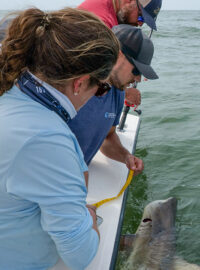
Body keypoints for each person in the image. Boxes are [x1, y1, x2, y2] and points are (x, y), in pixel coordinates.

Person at [0, 8, 119, 270]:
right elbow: (81, 254)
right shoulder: (46, 138)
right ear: (79, 83)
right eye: (101, 87)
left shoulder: (9, 94)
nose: (99, 94)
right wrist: (88, 218)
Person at [68, 25, 158, 177]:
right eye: (136, 71)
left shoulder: (117, 91)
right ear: (119, 55)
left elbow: (108, 137)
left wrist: (125, 156)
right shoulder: (69, 86)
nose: (138, 79)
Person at [78, 0, 162, 106]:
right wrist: (124, 92)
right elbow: (89, 78)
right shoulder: (102, 25)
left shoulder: (109, 9)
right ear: (129, 1)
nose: (140, 24)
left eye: (144, 21)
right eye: (141, 17)